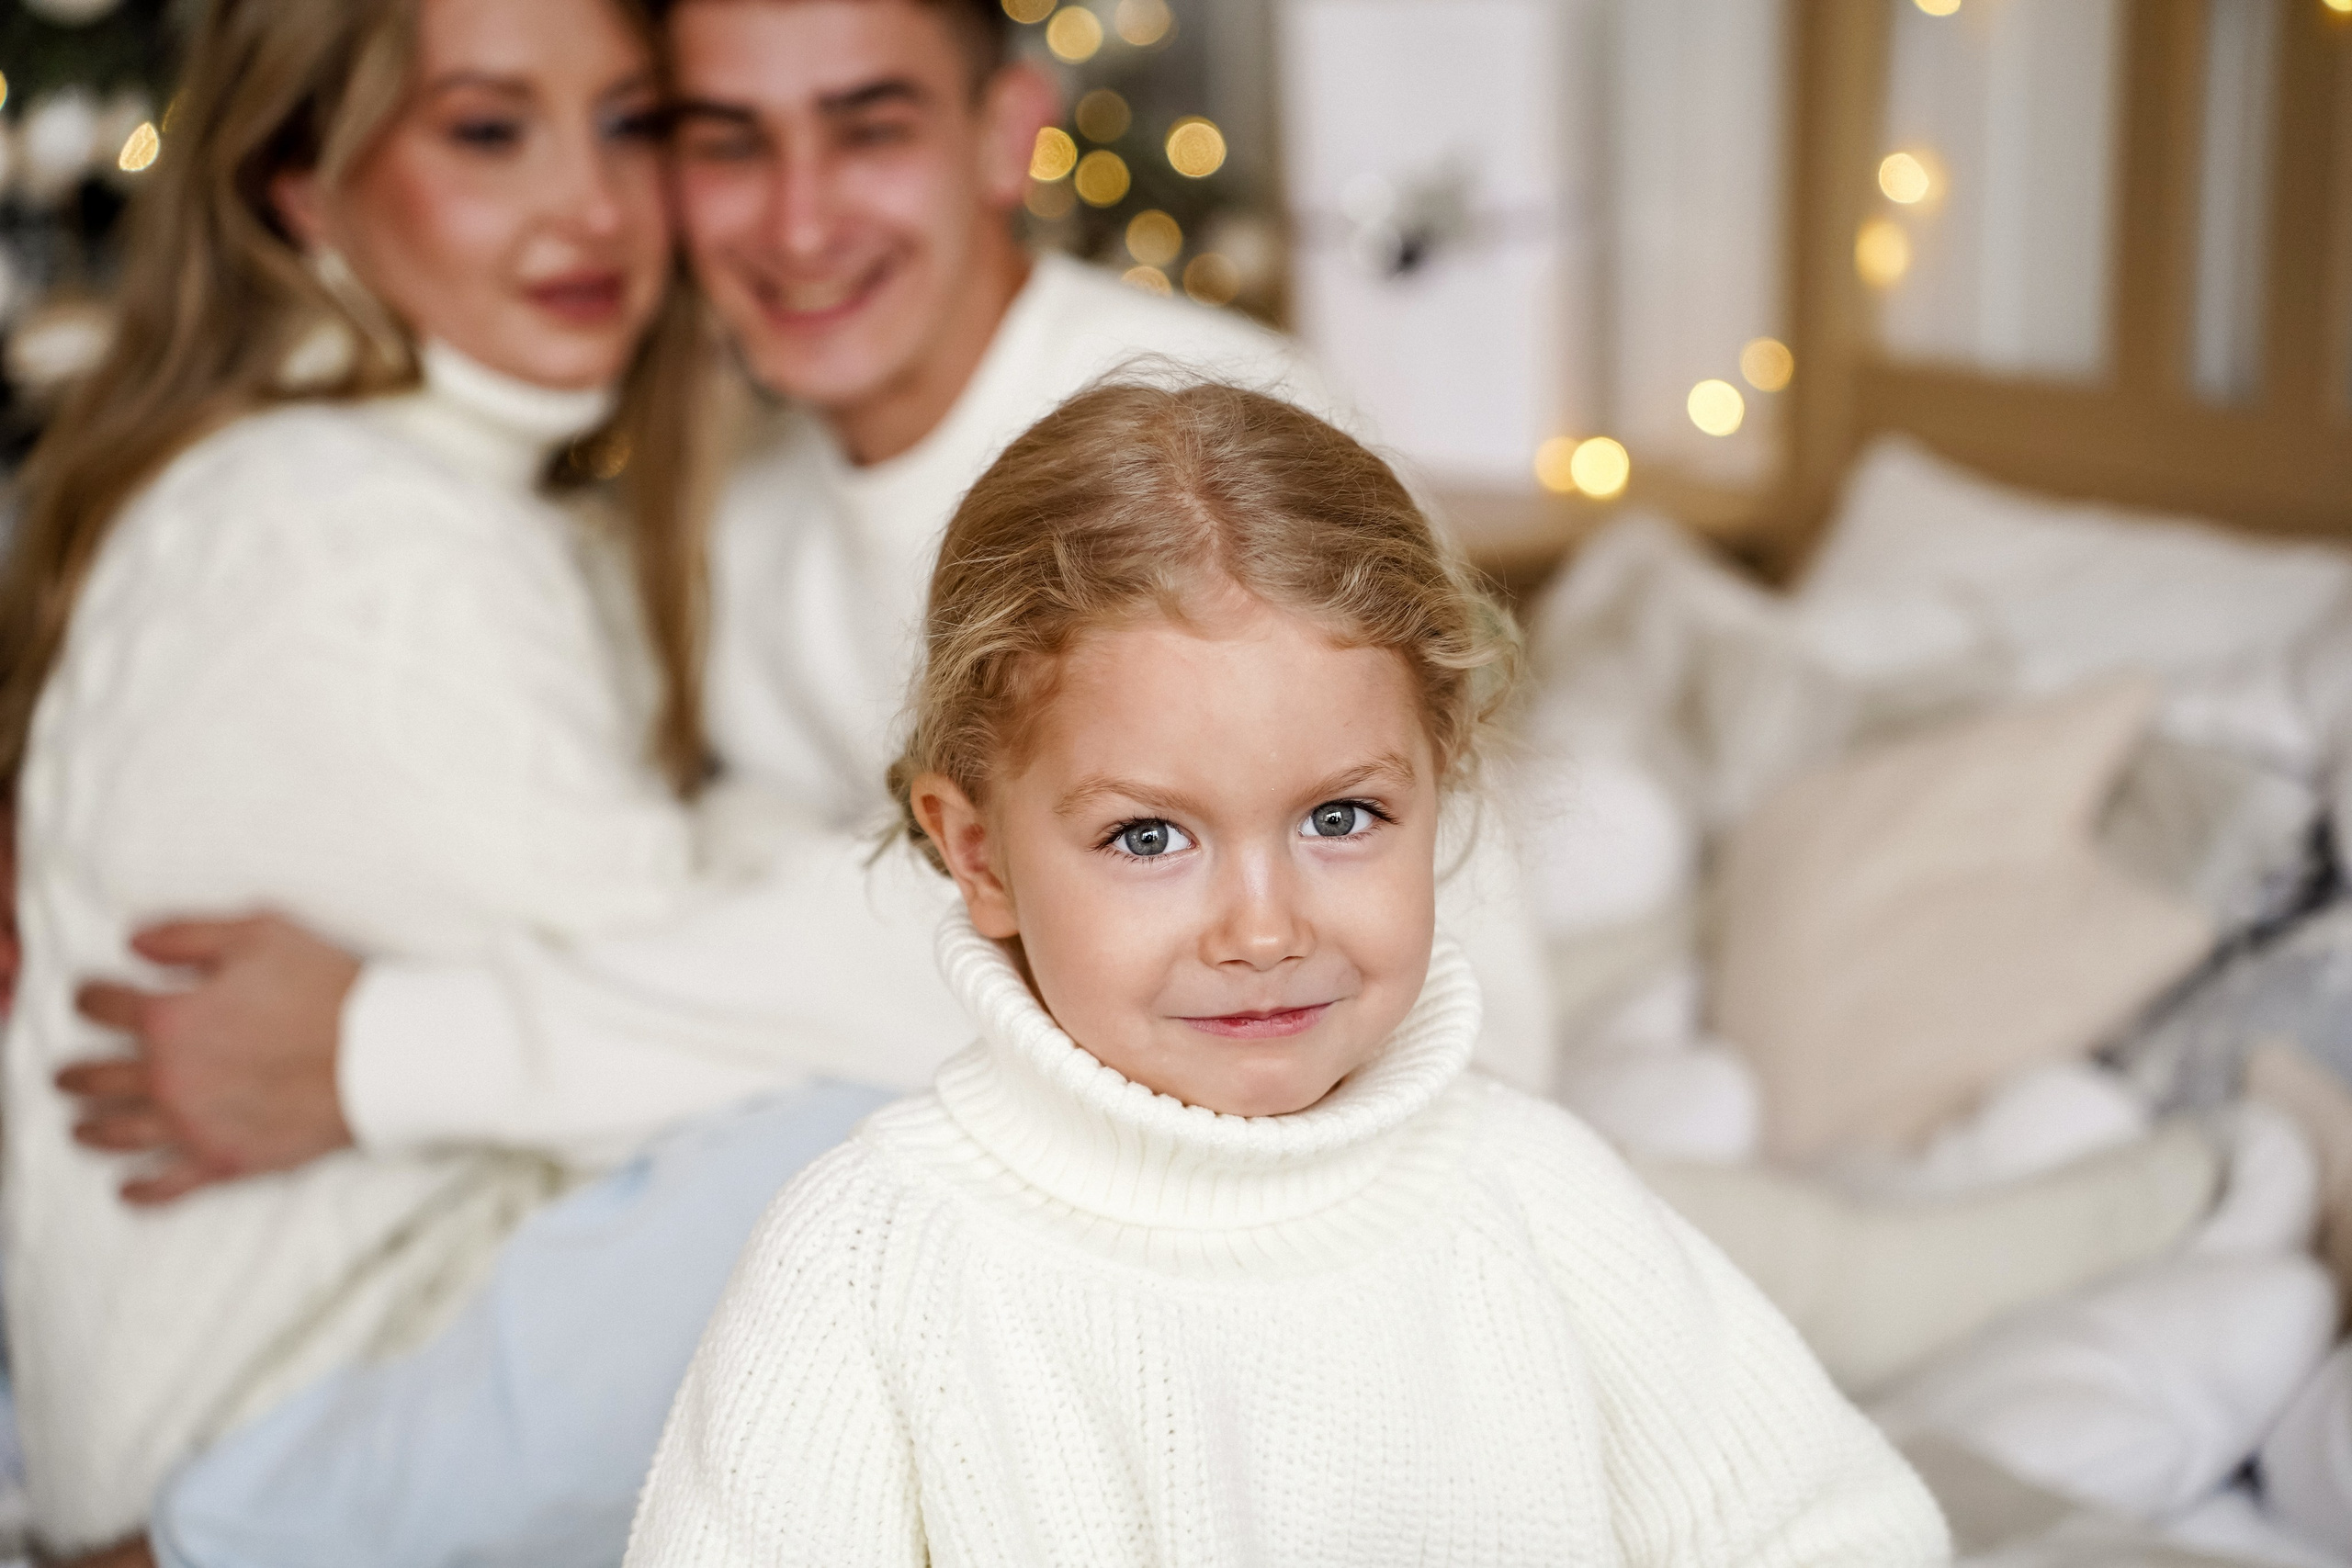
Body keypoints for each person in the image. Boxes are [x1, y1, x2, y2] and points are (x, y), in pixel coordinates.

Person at [625, 379, 1951, 1567]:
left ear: (1442, 788)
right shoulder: (871, 1263)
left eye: (1341, 819)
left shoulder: (1534, 1197)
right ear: (977, 856)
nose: (1263, 930)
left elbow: (1841, 1533)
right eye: (1148, 837)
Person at [0, 0, 829, 1558]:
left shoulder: (411, 495)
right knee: (872, 1129)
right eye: (488, 130)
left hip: (269, 1405)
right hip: (266, 1449)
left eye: (631, 123)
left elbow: (661, 967)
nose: (593, 206)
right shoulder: (347, 529)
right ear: (298, 189)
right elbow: (723, 1039)